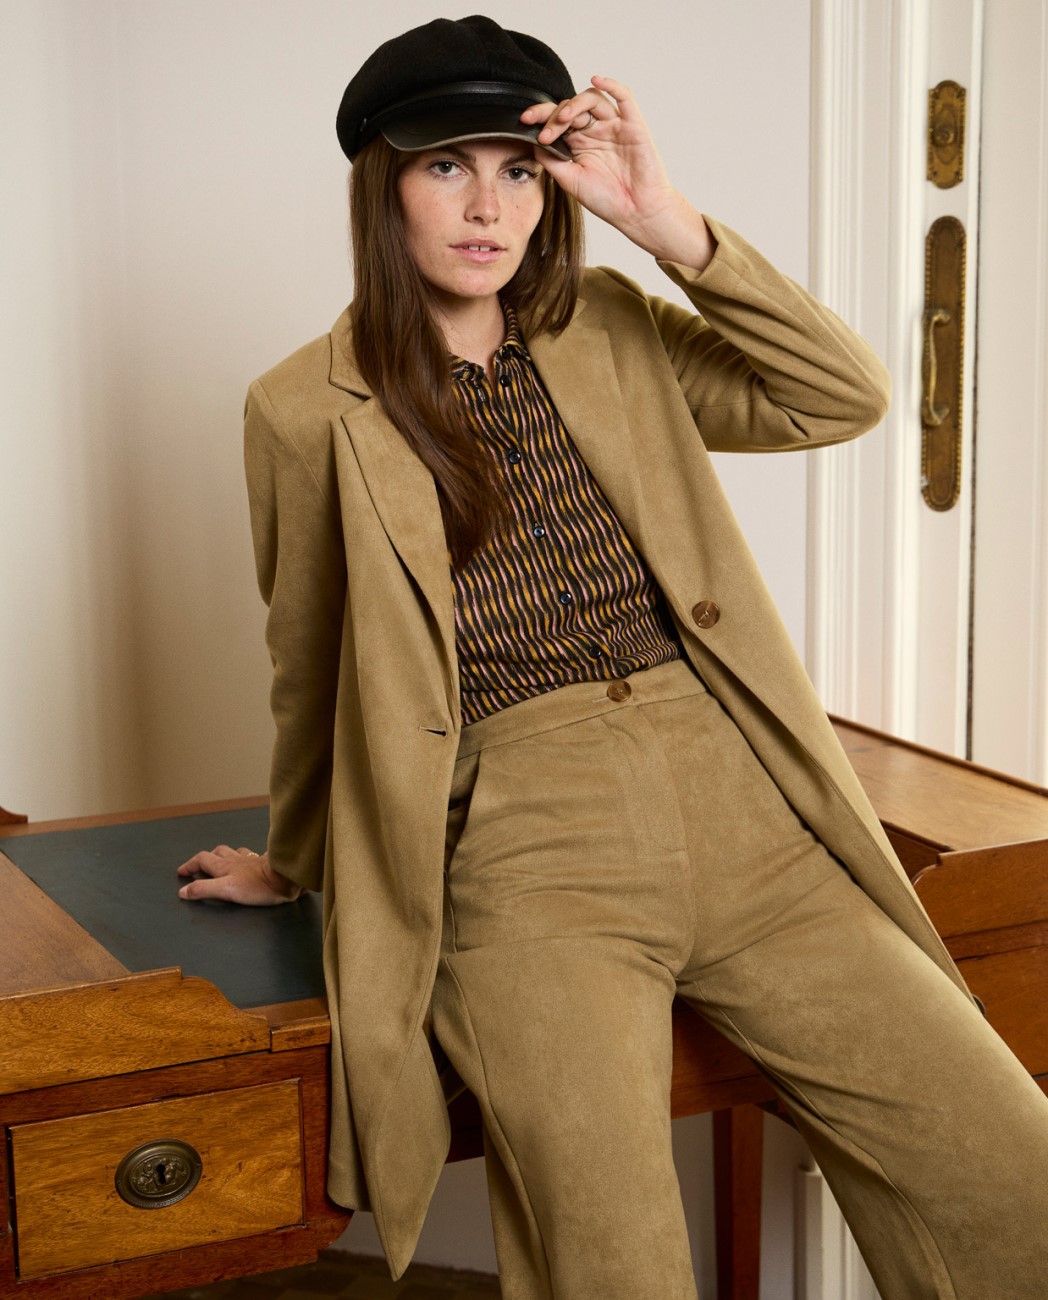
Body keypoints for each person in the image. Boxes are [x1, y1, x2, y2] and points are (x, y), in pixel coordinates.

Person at [177, 15, 1048, 1299]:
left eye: (518, 171)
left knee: (1007, 1170)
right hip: (529, 846)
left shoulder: (611, 325)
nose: (488, 207)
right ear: (382, 186)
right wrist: (295, 859)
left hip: (743, 804)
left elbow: (839, 396)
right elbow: (309, 663)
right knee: (613, 1263)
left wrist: (663, 222)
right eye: (446, 167)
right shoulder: (304, 407)